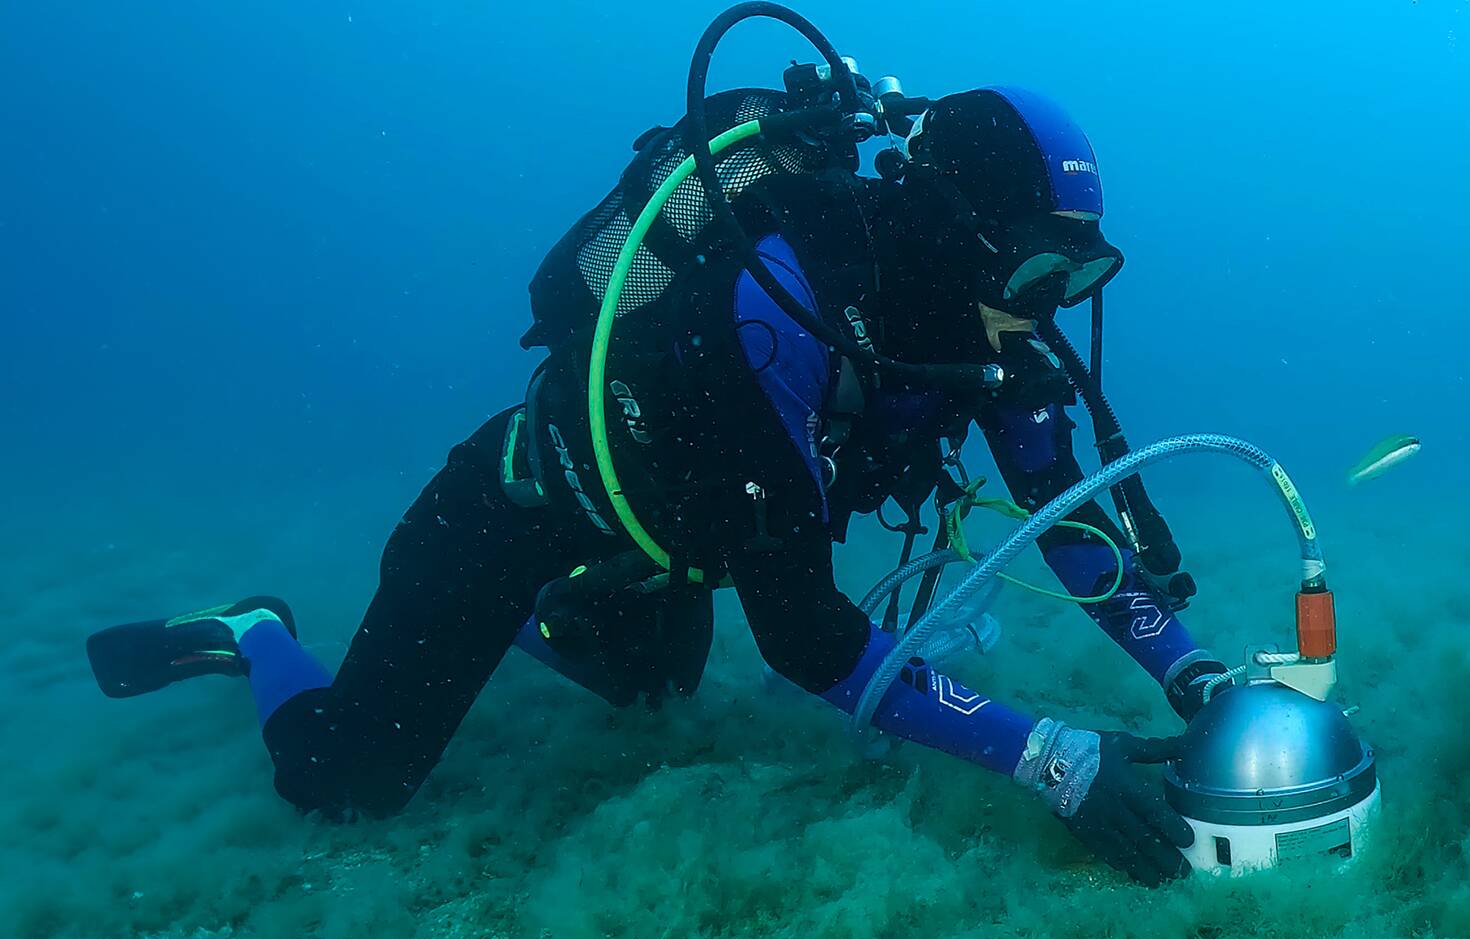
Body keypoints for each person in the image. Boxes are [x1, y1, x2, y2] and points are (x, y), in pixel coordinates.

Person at [87, 86, 1232, 886]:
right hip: (513, 509)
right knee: (347, 781)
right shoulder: (781, 303)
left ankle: (546, 624)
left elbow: (1073, 530)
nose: (1047, 302)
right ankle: (256, 633)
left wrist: (1195, 673)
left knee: (650, 693)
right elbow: (806, 641)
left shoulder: (979, 326)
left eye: (1076, 272)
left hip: (667, 546)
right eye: (1035, 262)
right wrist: (1052, 759)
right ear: (947, 229)